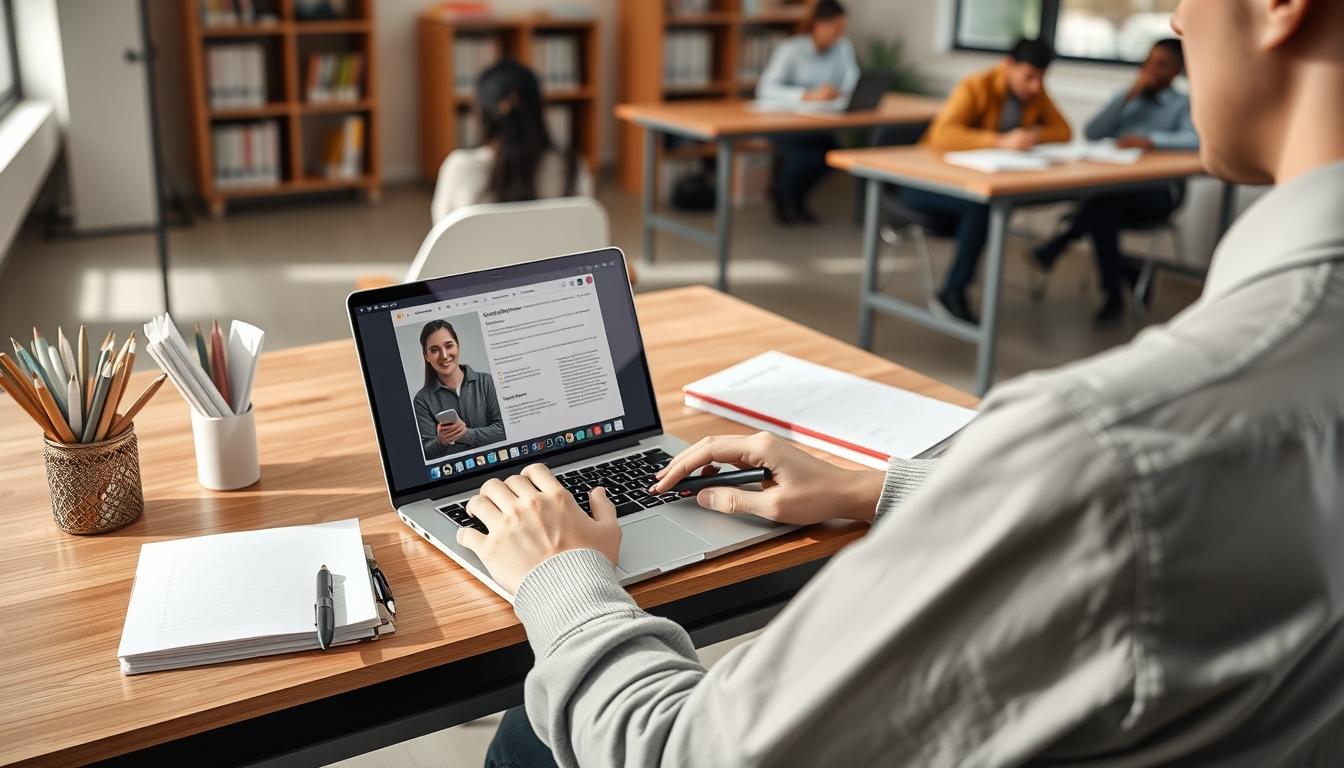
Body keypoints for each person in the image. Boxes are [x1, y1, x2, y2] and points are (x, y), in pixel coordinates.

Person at [471, 0, 1344, 764]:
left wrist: (564, 577)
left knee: (528, 730)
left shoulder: (1105, 445)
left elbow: (684, 752)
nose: (1178, 20)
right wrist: (876, 486)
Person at [1032, 38, 1200, 327]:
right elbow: (1093, 131)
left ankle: (1058, 247)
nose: (1151, 69)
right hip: (1113, 186)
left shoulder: (1181, 103)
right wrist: (1127, 97)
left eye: (1161, 64)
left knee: (1101, 205)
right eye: (1148, 62)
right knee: (1103, 209)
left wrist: (1152, 140)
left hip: (1157, 191)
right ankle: (1118, 286)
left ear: (1177, 70)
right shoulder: (1128, 96)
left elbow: (1195, 139)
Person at [906, 39, 1072, 324]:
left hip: (977, 181)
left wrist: (1033, 136)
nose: (1035, 86)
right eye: (1029, 77)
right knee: (981, 206)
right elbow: (943, 134)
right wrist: (1000, 141)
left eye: (1041, 79)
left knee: (985, 202)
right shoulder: (975, 86)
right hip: (925, 182)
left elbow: (1064, 131)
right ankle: (952, 291)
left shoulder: (1035, 92)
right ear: (1009, 65)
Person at [430, 59, 594, 224]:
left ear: (481, 111)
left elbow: (442, 236)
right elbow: (586, 232)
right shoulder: (572, 167)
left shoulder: (459, 167)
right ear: (539, 108)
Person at [757, 0, 859, 225]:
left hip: (818, 122)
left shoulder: (843, 48)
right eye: (836, 27)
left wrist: (839, 93)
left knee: (834, 157)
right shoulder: (791, 49)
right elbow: (765, 89)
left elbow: (852, 82)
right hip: (784, 123)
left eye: (843, 28)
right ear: (819, 25)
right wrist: (806, 95)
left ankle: (795, 198)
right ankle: (784, 198)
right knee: (806, 158)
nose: (840, 34)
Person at [412, 320, 504, 460]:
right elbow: (426, 452)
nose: (444, 355)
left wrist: (467, 435)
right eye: (434, 350)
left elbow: (504, 430)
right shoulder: (422, 399)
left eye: (449, 345)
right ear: (426, 356)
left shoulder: (486, 381)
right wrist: (441, 441)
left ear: (457, 345)